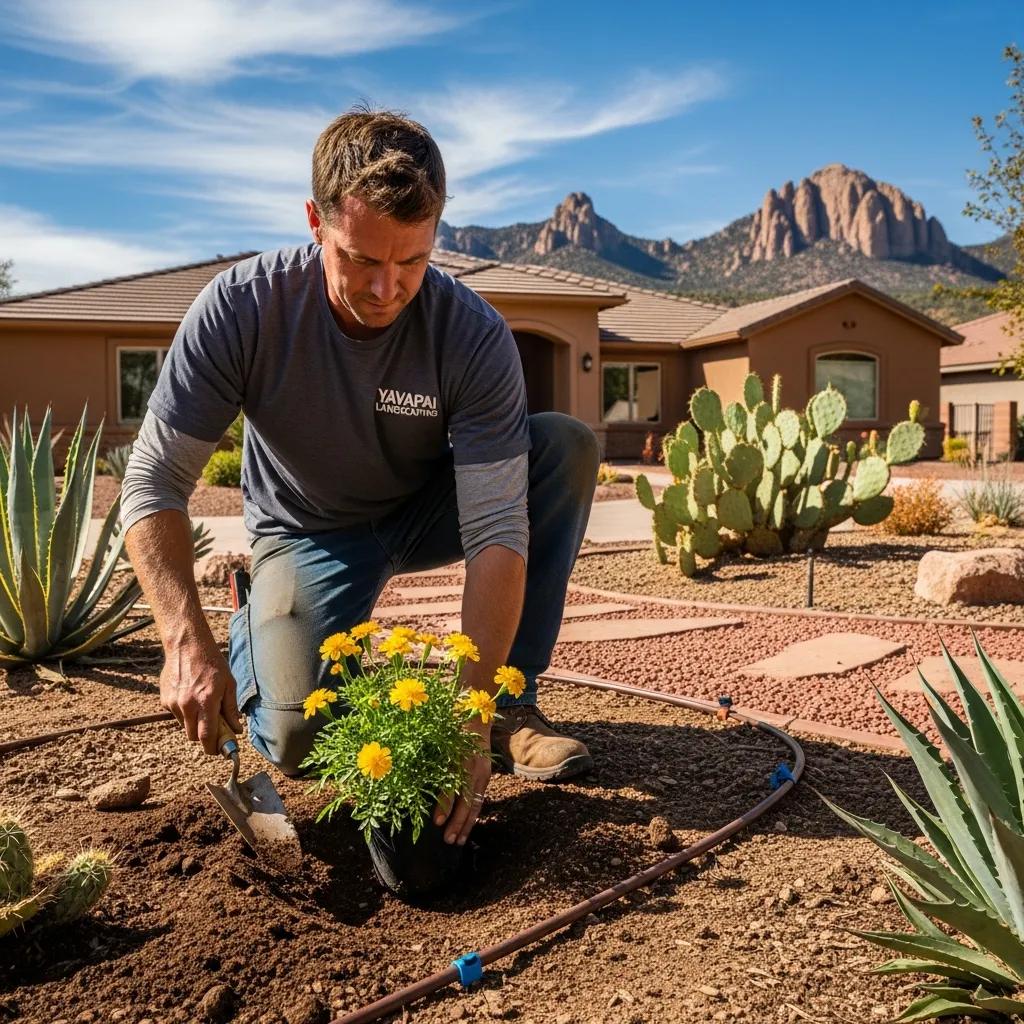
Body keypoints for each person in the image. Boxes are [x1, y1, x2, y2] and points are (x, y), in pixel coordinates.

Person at [121, 106, 599, 860]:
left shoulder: (469, 334)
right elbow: (152, 480)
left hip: (424, 508)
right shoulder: (244, 310)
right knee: (293, 738)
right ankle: (259, 627)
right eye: (361, 259)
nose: (386, 288)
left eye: (411, 262)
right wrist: (186, 641)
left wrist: (467, 716)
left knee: (562, 447)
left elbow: (500, 530)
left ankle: (512, 707)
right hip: (307, 531)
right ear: (315, 221)